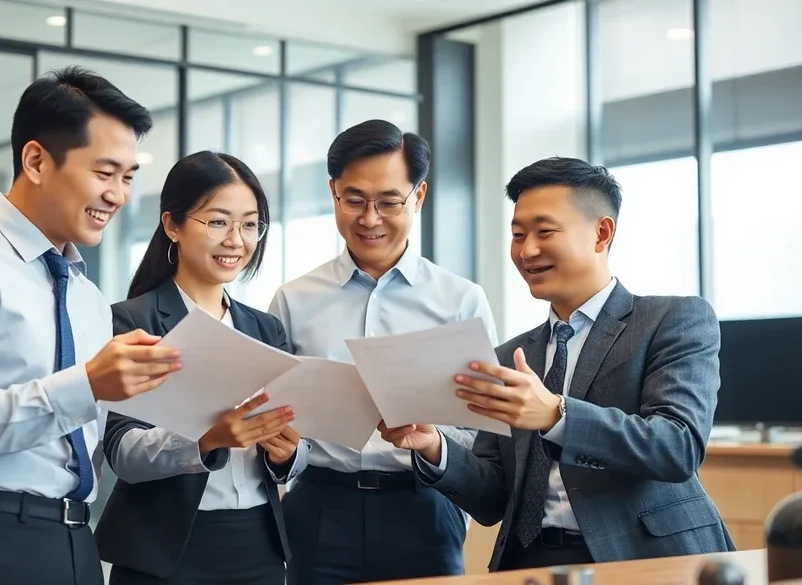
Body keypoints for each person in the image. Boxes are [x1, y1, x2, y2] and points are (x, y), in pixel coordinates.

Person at [0, 66, 180, 585]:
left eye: (128, 177)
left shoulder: (89, 299)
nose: (118, 195)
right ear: (36, 161)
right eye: (105, 172)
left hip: (74, 542)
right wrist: (88, 383)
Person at [380, 156, 735, 571]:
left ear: (601, 233)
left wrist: (556, 415)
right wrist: (433, 446)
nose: (527, 250)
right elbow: (493, 499)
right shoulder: (510, 355)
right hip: (529, 561)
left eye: (544, 232)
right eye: (517, 234)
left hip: (642, 557)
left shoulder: (672, 320)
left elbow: (677, 447)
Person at [268, 119, 498, 584]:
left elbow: (483, 432)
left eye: (389, 202)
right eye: (354, 200)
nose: (370, 219)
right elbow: (277, 416)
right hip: (319, 509)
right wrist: (283, 453)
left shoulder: (461, 301)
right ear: (333, 193)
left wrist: (432, 442)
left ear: (419, 196)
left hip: (424, 507)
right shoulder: (294, 300)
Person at [96, 150, 308, 585]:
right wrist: (207, 439)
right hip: (162, 550)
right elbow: (121, 452)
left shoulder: (266, 328)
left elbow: (301, 441)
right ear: (172, 225)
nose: (236, 240)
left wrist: (288, 454)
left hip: (258, 544)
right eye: (217, 222)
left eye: (249, 224)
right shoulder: (132, 321)